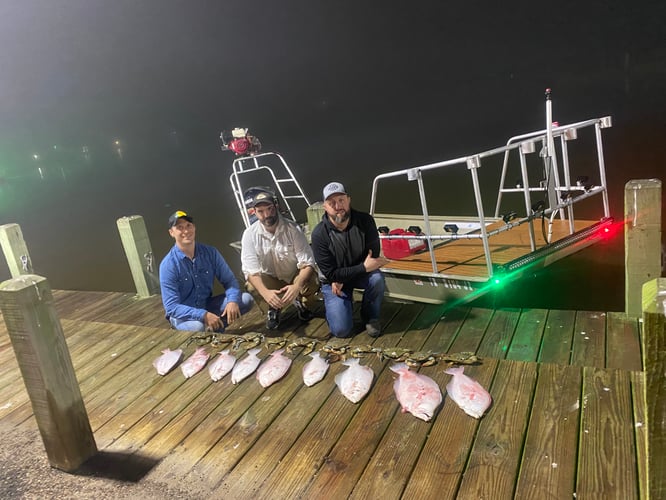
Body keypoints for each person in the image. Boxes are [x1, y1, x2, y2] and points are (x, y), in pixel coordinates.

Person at [311, 182, 389, 338]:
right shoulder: (319, 234)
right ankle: (335, 312)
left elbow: (373, 256)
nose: (338, 205)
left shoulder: (365, 221)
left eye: (341, 200)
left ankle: (370, 317)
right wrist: (350, 272)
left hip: (352, 275)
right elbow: (331, 274)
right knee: (341, 331)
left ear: (349, 200)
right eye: (331, 202)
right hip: (333, 282)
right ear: (325, 207)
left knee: (377, 278)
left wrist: (343, 275)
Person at [159, 210, 254, 332]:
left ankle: (216, 327)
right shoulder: (168, 265)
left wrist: (232, 301)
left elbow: (229, 281)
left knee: (246, 299)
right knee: (197, 327)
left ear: (194, 227)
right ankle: (198, 327)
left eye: (189, 226)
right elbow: (171, 307)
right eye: (180, 228)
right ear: (171, 233)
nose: (186, 231)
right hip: (183, 315)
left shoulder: (210, 252)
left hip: (206, 304)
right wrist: (203, 315)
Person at [240, 188, 319, 330]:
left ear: (276, 206)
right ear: (254, 213)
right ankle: (273, 307)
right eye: (261, 211)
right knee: (251, 286)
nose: (266, 215)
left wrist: (297, 286)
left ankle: (300, 302)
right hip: (271, 279)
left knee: (312, 278)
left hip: (293, 276)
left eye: (269, 209)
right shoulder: (249, 235)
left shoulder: (293, 229)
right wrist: (265, 293)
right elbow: (250, 271)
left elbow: (308, 262)